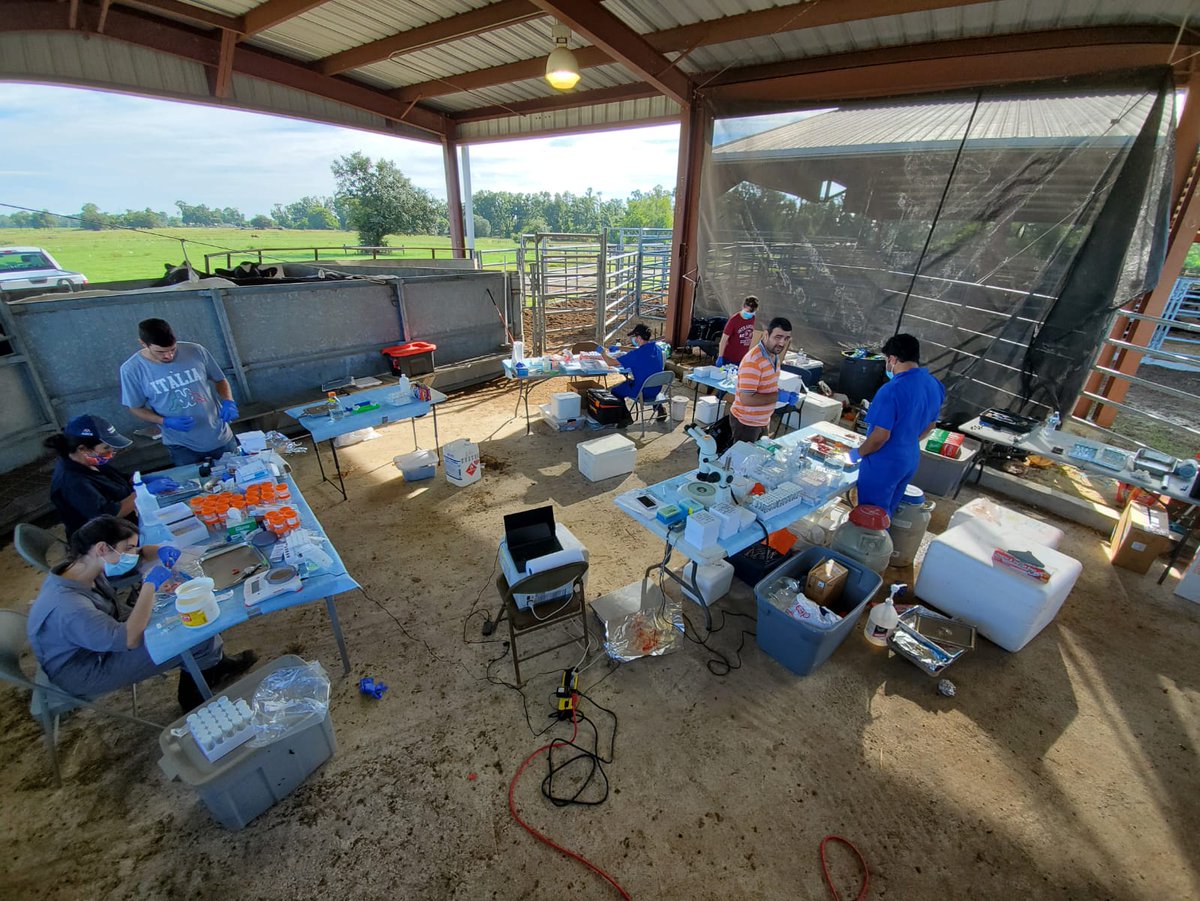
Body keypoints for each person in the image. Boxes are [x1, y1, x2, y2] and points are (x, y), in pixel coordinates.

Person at [26, 515, 257, 712]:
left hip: (97, 640)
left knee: (181, 617)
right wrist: (150, 586)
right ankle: (192, 700)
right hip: (86, 669)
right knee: (194, 634)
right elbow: (128, 639)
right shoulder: (69, 607)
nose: (134, 554)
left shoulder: (81, 565)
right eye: (128, 549)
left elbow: (140, 556)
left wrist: (161, 551)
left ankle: (213, 664)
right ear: (102, 548)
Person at [120, 318, 240, 467]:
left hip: (220, 436)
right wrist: (164, 421)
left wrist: (228, 401)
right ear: (143, 344)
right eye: (160, 352)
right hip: (182, 446)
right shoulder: (132, 370)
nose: (168, 356)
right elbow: (135, 408)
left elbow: (220, 379)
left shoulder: (195, 351)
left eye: (172, 349)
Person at [851, 333, 945, 515]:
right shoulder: (934, 385)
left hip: (884, 462)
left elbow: (880, 436)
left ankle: (870, 542)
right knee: (887, 513)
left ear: (893, 359)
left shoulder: (891, 390)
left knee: (872, 515)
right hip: (909, 458)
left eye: (887, 360)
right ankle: (883, 541)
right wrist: (906, 441)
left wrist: (857, 453)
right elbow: (931, 425)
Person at [45, 414, 137, 538]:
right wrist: (141, 494)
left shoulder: (90, 461)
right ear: (83, 449)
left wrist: (138, 479)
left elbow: (117, 479)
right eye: (106, 447)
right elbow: (108, 515)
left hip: (125, 524)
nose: (112, 452)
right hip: (102, 540)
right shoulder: (72, 481)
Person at [727, 317, 798, 444]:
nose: (782, 343)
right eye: (778, 337)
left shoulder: (773, 356)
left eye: (786, 338)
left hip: (762, 420)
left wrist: (783, 393)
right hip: (747, 422)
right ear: (766, 334)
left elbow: (765, 386)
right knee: (742, 461)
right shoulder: (754, 361)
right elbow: (747, 399)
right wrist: (777, 396)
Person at [597, 323, 667, 420]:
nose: (633, 339)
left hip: (642, 392)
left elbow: (610, 362)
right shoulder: (657, 348)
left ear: (638, 337)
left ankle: (625, 417)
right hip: (656, 389)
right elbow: (638, 349)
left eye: (635, 337)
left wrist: (603, 353)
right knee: (643, 380)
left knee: (615, 390)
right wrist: (620, 348)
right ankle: (660, 408)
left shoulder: (635, 355)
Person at [715, 296, 758, 367]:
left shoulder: (752, 318)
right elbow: (724, 339)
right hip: (729, 358)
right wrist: (720, 356)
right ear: (743, 307)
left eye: (752, 312)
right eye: (748, 311)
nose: (750, 314)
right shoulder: (734, 320)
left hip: (742, 358)